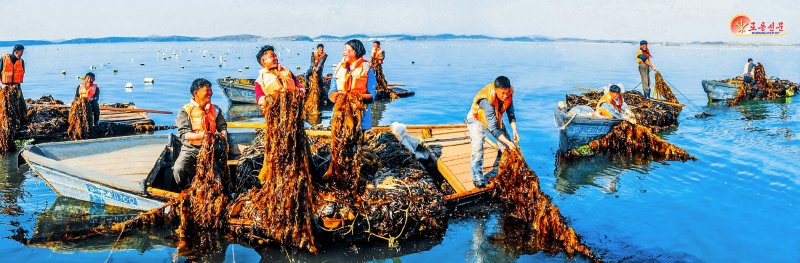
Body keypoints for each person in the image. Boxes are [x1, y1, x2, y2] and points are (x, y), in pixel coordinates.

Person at [173, 78, 228, 189]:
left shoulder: (216, 109)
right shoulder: (185, 111)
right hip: (191, 148)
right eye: (207, 90)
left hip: (212, 148)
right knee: (178, 168)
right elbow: (185, 134)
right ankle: (181, 189)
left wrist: (223, 135)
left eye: (210, 90)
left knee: (218, 174)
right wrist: (204, 135)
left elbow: (222, 126)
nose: (210, 93)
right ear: (196, 93)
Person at [466, 76, 519, 188]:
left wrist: (514, 129)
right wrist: (509, 143)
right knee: (478, 148)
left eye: (507, 92)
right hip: (476, 120)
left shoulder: (508, 93)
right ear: (496, 90)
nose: (505, 96)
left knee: (506, 146)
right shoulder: (486, 100)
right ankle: (477, 178)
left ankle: (498, 169)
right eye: (502, 93)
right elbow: (493, 129)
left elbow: (511, 113)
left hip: (495, 117)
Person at [328, 39, 377, 130]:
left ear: (356, 51)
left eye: (347, 50)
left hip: (361, 118)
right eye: (344, 50)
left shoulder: (367, 69)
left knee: (360, 141)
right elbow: (332, 91)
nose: (344, 52)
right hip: (339, 115)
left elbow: (372, 95)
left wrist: (353, 97)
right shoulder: (339, 68)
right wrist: (339, 97)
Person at [0, 44, 27, 124]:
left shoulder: (22, 62)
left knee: (22, 105)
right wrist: (2, 85)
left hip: (17, 87)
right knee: (4, 106)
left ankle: (24, 122)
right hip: (5, 87)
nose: (22, 54)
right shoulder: (3, 59)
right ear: (16, 52)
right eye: (21, 52)